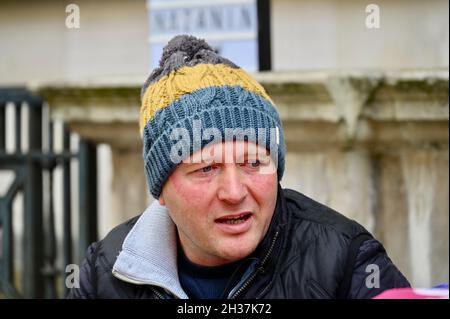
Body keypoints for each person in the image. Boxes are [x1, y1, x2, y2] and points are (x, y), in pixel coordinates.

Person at [67, 35, 410, 299]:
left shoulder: (346, 260)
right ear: (162, 191)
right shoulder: (106, 273)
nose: (234, 192)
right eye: (205, 168)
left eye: (253, 163)